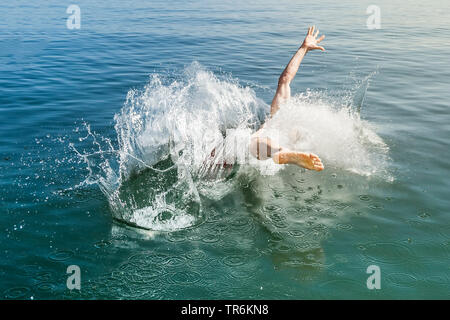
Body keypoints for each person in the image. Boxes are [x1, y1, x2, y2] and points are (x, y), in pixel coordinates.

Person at [249, 26, 325, 171]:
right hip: (290, 138)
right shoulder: (290, 118)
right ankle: (283, 153)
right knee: (259, 141)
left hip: (272, 140)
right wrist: (304, 48)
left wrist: (304, 47)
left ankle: (282, 153)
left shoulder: (275, 118)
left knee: (252, 143)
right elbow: (285, 79)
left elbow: (284, 79)